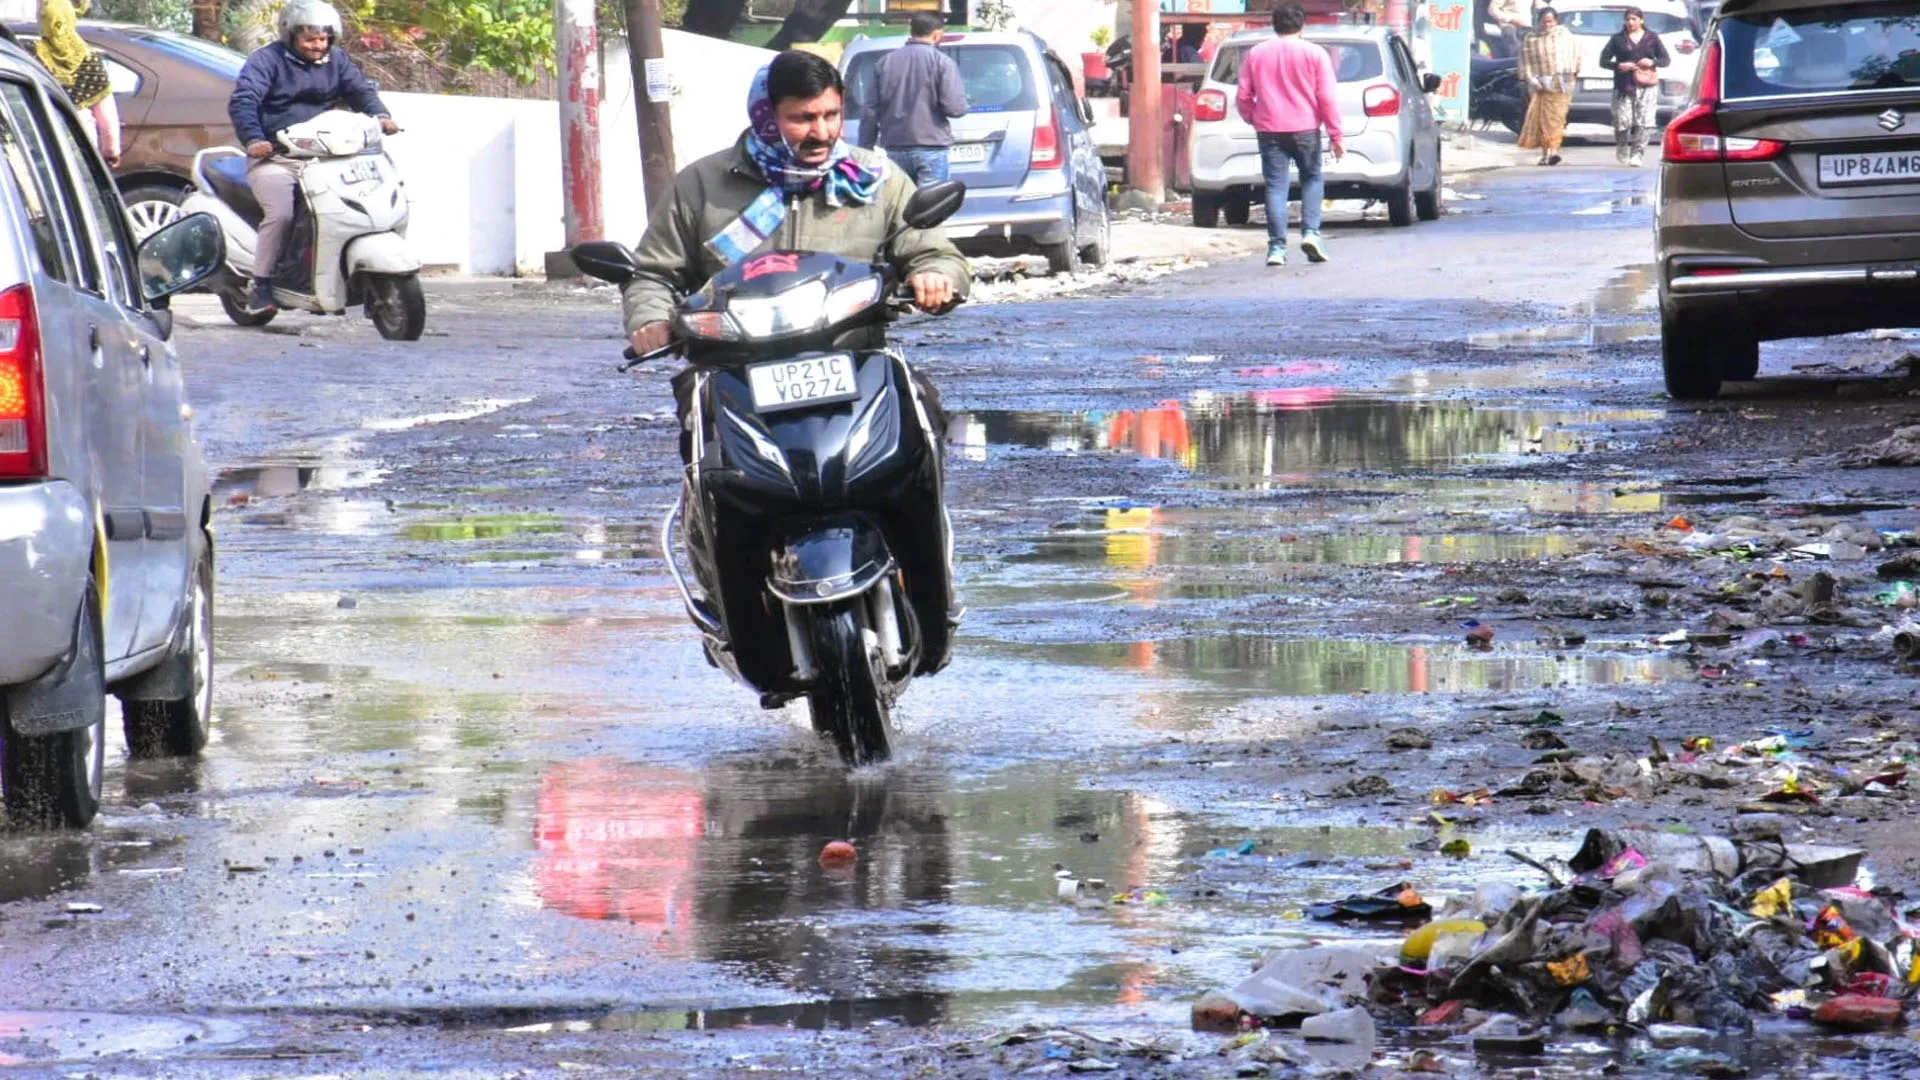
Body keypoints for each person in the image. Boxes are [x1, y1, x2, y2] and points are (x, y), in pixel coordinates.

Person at [227, 0, 396, 315]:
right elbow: (244, 100)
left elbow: (360, 91)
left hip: (325, 156)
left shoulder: (337, 60)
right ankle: (261, 285)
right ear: (290, 35)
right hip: (278, 157)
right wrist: (254, 139)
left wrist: (381, 116)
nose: (317, 45)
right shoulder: (266, 61)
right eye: (310, 39)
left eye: (323, 38)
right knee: (283, 215)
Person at [1234, 2, 1343, 267]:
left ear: (1274, 24)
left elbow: (1243, 95)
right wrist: (1336, 135)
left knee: (1275, 186)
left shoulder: (1256, 54)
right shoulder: (1316, 54)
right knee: (1312, 178)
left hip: (1269, 128)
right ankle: (1310, 233)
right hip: (1306, 128)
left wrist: (1253, 116)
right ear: (1302, 24)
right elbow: (1326, 97)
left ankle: (1277, 249)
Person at [868, 12, 969, 186]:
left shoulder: (885, 62)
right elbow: (955, 108)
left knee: (901, 207)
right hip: (931, 148)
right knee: (930, 208)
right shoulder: (942, 62)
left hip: (895, 147)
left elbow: (870, 109)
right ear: (937, 34)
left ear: (912, 31)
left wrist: (866, 147)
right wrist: (965, 104)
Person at [35, 0, 120, 166]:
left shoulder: (32, 57)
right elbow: (108, 122)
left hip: (43, 154)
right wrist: (112, 153)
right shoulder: (89, 60)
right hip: (82, 151)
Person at [1597, 7, 1670, 167]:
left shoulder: (1652, 38)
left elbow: (1665, 59)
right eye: (1628, 19)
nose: (1630, 22)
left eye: (1634, 19)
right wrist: (1619, 65)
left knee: (1644, 121)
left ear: (1641, 20)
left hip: (1646, 85)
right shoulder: (1617, 39)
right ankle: (1622, 146)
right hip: (1624, 85)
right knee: (1623, 120)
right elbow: (1603, 61)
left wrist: (1652, 62)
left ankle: (1638, 153)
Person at [1517, 7, 1579, 165]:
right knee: (1543, 120)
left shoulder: (1565, 36)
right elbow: (1525, 62)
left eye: (1550, 21)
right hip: (1540, 85)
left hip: (1562, 83)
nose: (1547, 25)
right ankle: (1546, 153)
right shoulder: (1531, 39)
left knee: (1557, 119)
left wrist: (1573, 73)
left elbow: (1575, 55)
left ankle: (1553, 151)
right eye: (1544, 22)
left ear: (1556, 21)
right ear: (1539, 22)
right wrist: (1533, 80)